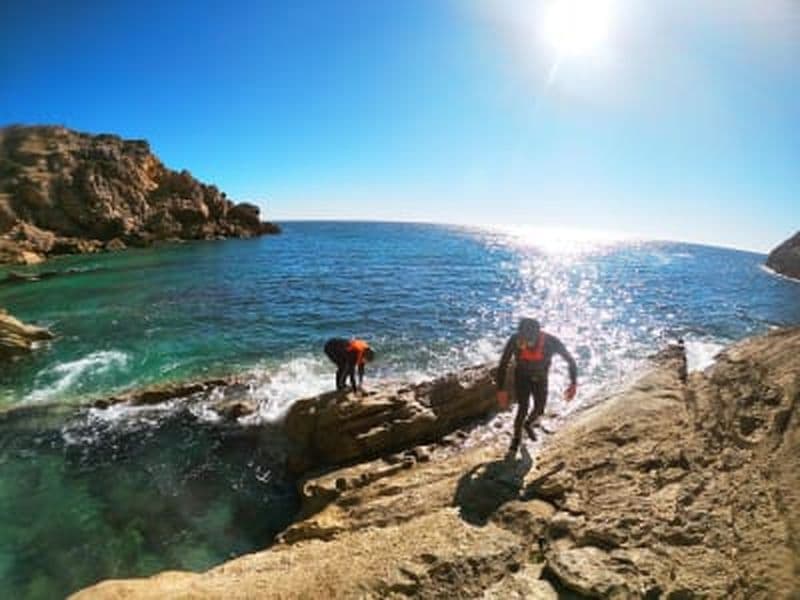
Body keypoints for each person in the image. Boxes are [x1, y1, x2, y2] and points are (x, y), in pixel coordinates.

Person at [496, 318, 578, 454]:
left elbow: (570, 361)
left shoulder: (551, 342)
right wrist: (501, 390)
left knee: (540, 409)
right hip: (521, 376)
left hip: (541, 378)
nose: (523, 343)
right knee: (523, 407)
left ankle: (528, 424)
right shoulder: (516, 340)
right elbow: (503, 364)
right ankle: (516, 438)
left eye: (527, 339)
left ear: (537, 334)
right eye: (521, 337)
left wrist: (573, 383)